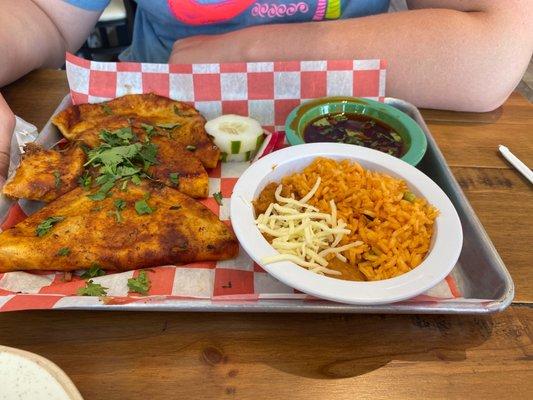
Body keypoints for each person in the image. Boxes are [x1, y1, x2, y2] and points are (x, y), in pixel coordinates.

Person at [0, 0, 532, 180]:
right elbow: (42, 15)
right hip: (139, 119)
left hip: (343, 130)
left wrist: (241, 53)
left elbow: (493, 49)